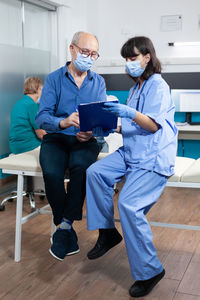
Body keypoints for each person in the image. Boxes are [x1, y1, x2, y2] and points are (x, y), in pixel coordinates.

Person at [86, 36, 178, 298]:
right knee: (95, 173)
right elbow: (132, 125)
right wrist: (107, 125)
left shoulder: (158, 85)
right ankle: (107, 233)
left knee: (128, 205)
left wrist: (124, 112)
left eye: (133, 58)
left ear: (147, 57)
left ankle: (150, 271)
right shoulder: (138, 86)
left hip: (152, 158)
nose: (129, 63)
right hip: (132, 151)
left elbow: (151, 125)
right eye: (126, 59)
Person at [36, 31, 109, 261]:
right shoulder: (54, 79)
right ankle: (65, 226)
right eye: (85, 51)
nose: (88, 57)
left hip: (84, 141)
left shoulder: (98, 82)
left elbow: (102, 120)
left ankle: (63, 227)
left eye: (93, 54)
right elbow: (42, 117)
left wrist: (90, 132)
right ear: (72, 49)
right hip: (57, 136)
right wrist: (63, 121)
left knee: (81, 169)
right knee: (51, 172)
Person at [9, 76, 46, 154]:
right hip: (28, 145)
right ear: (38, 89)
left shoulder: (19, 103)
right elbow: (40, 134)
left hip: (15, 146)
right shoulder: (31, 105)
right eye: (42, 90)